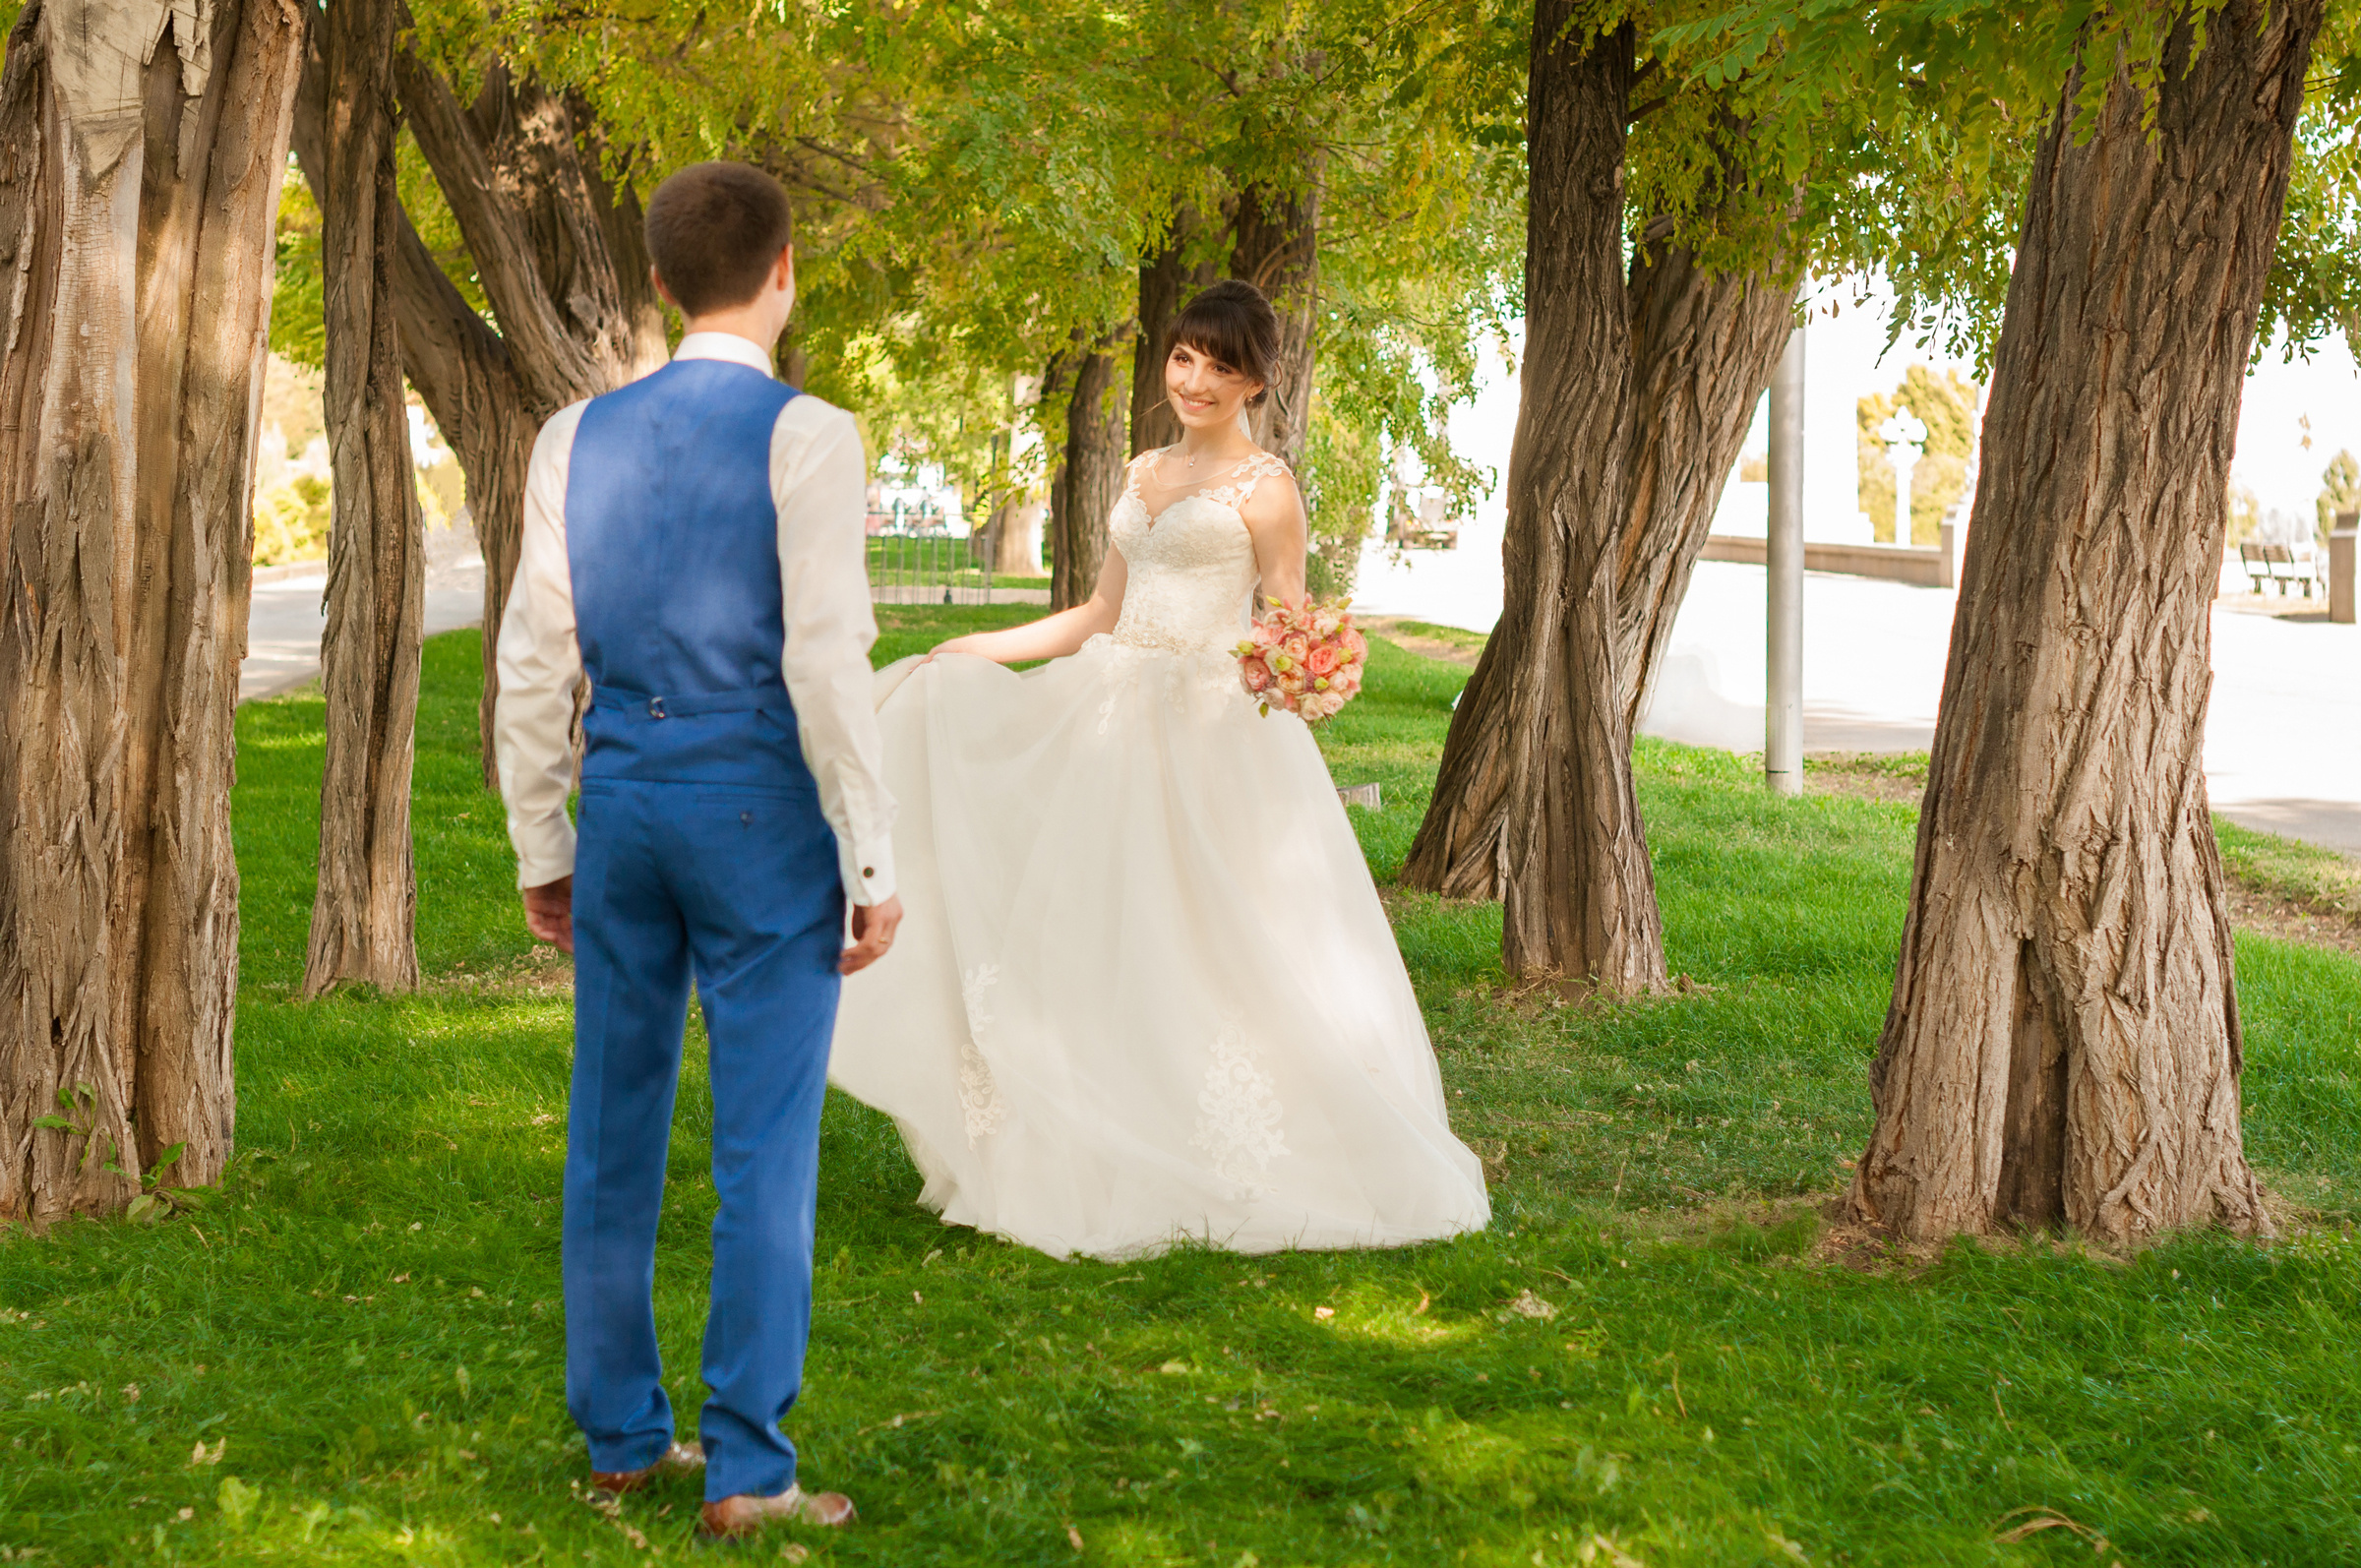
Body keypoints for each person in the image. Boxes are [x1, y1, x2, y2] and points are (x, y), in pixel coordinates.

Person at [828, 279, 1490, 1261]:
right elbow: (1099, 615)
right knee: (1091, 924)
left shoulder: (1268, 489)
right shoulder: (1142, 472)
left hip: (1213, 727)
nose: (1196, 379)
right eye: (1185, 357)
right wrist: (980, 648)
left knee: (1219, 938)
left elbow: (1286, 613)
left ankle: (1237, 1141)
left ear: (1257, 380)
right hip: (1108, 704)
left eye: (1222, 365)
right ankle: (1076, 1125)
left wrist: (1301, 671)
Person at [495, 160, 899, 1543]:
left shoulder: (570, 437)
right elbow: (827, 663)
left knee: (611, 1132)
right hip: (756, 814)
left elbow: (535, 657)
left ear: (658, 283)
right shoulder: (813, 435)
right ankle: (746, 1467)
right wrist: (871, 853)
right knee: (763, 1150)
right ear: (786, 269)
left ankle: (619, 1436)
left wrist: (542, 841)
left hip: (622, 810)